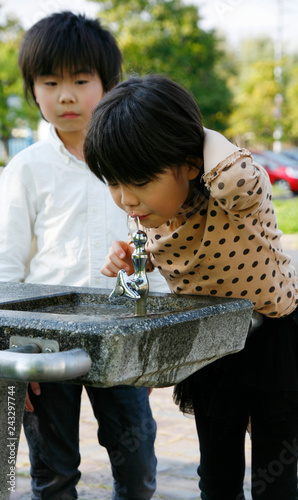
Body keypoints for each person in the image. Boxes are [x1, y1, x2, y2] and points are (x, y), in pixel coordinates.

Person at [84, 74, 298, 500]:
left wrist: (190, 132)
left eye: (140, 181)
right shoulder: (152, 215)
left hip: (274, 341)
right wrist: (131, 260)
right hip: (212, 348)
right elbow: (151, 266)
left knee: (273, 482)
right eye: (114, 182)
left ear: (189, 162)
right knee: (217, 477)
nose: (127, 199)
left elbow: (236, 170)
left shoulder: (233, 192)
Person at [0, 13, 168, 500]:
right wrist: (11, 349)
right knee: (52, 472)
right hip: (46, 338)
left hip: (122, 330)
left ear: (108, 84)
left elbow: (153, 245)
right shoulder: (25, 169)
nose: (66, 96)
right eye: (50, 82)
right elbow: (8, 264)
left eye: (80, 80)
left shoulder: (135, 157)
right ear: (33, 89)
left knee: (136, 466)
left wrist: (152, 344)